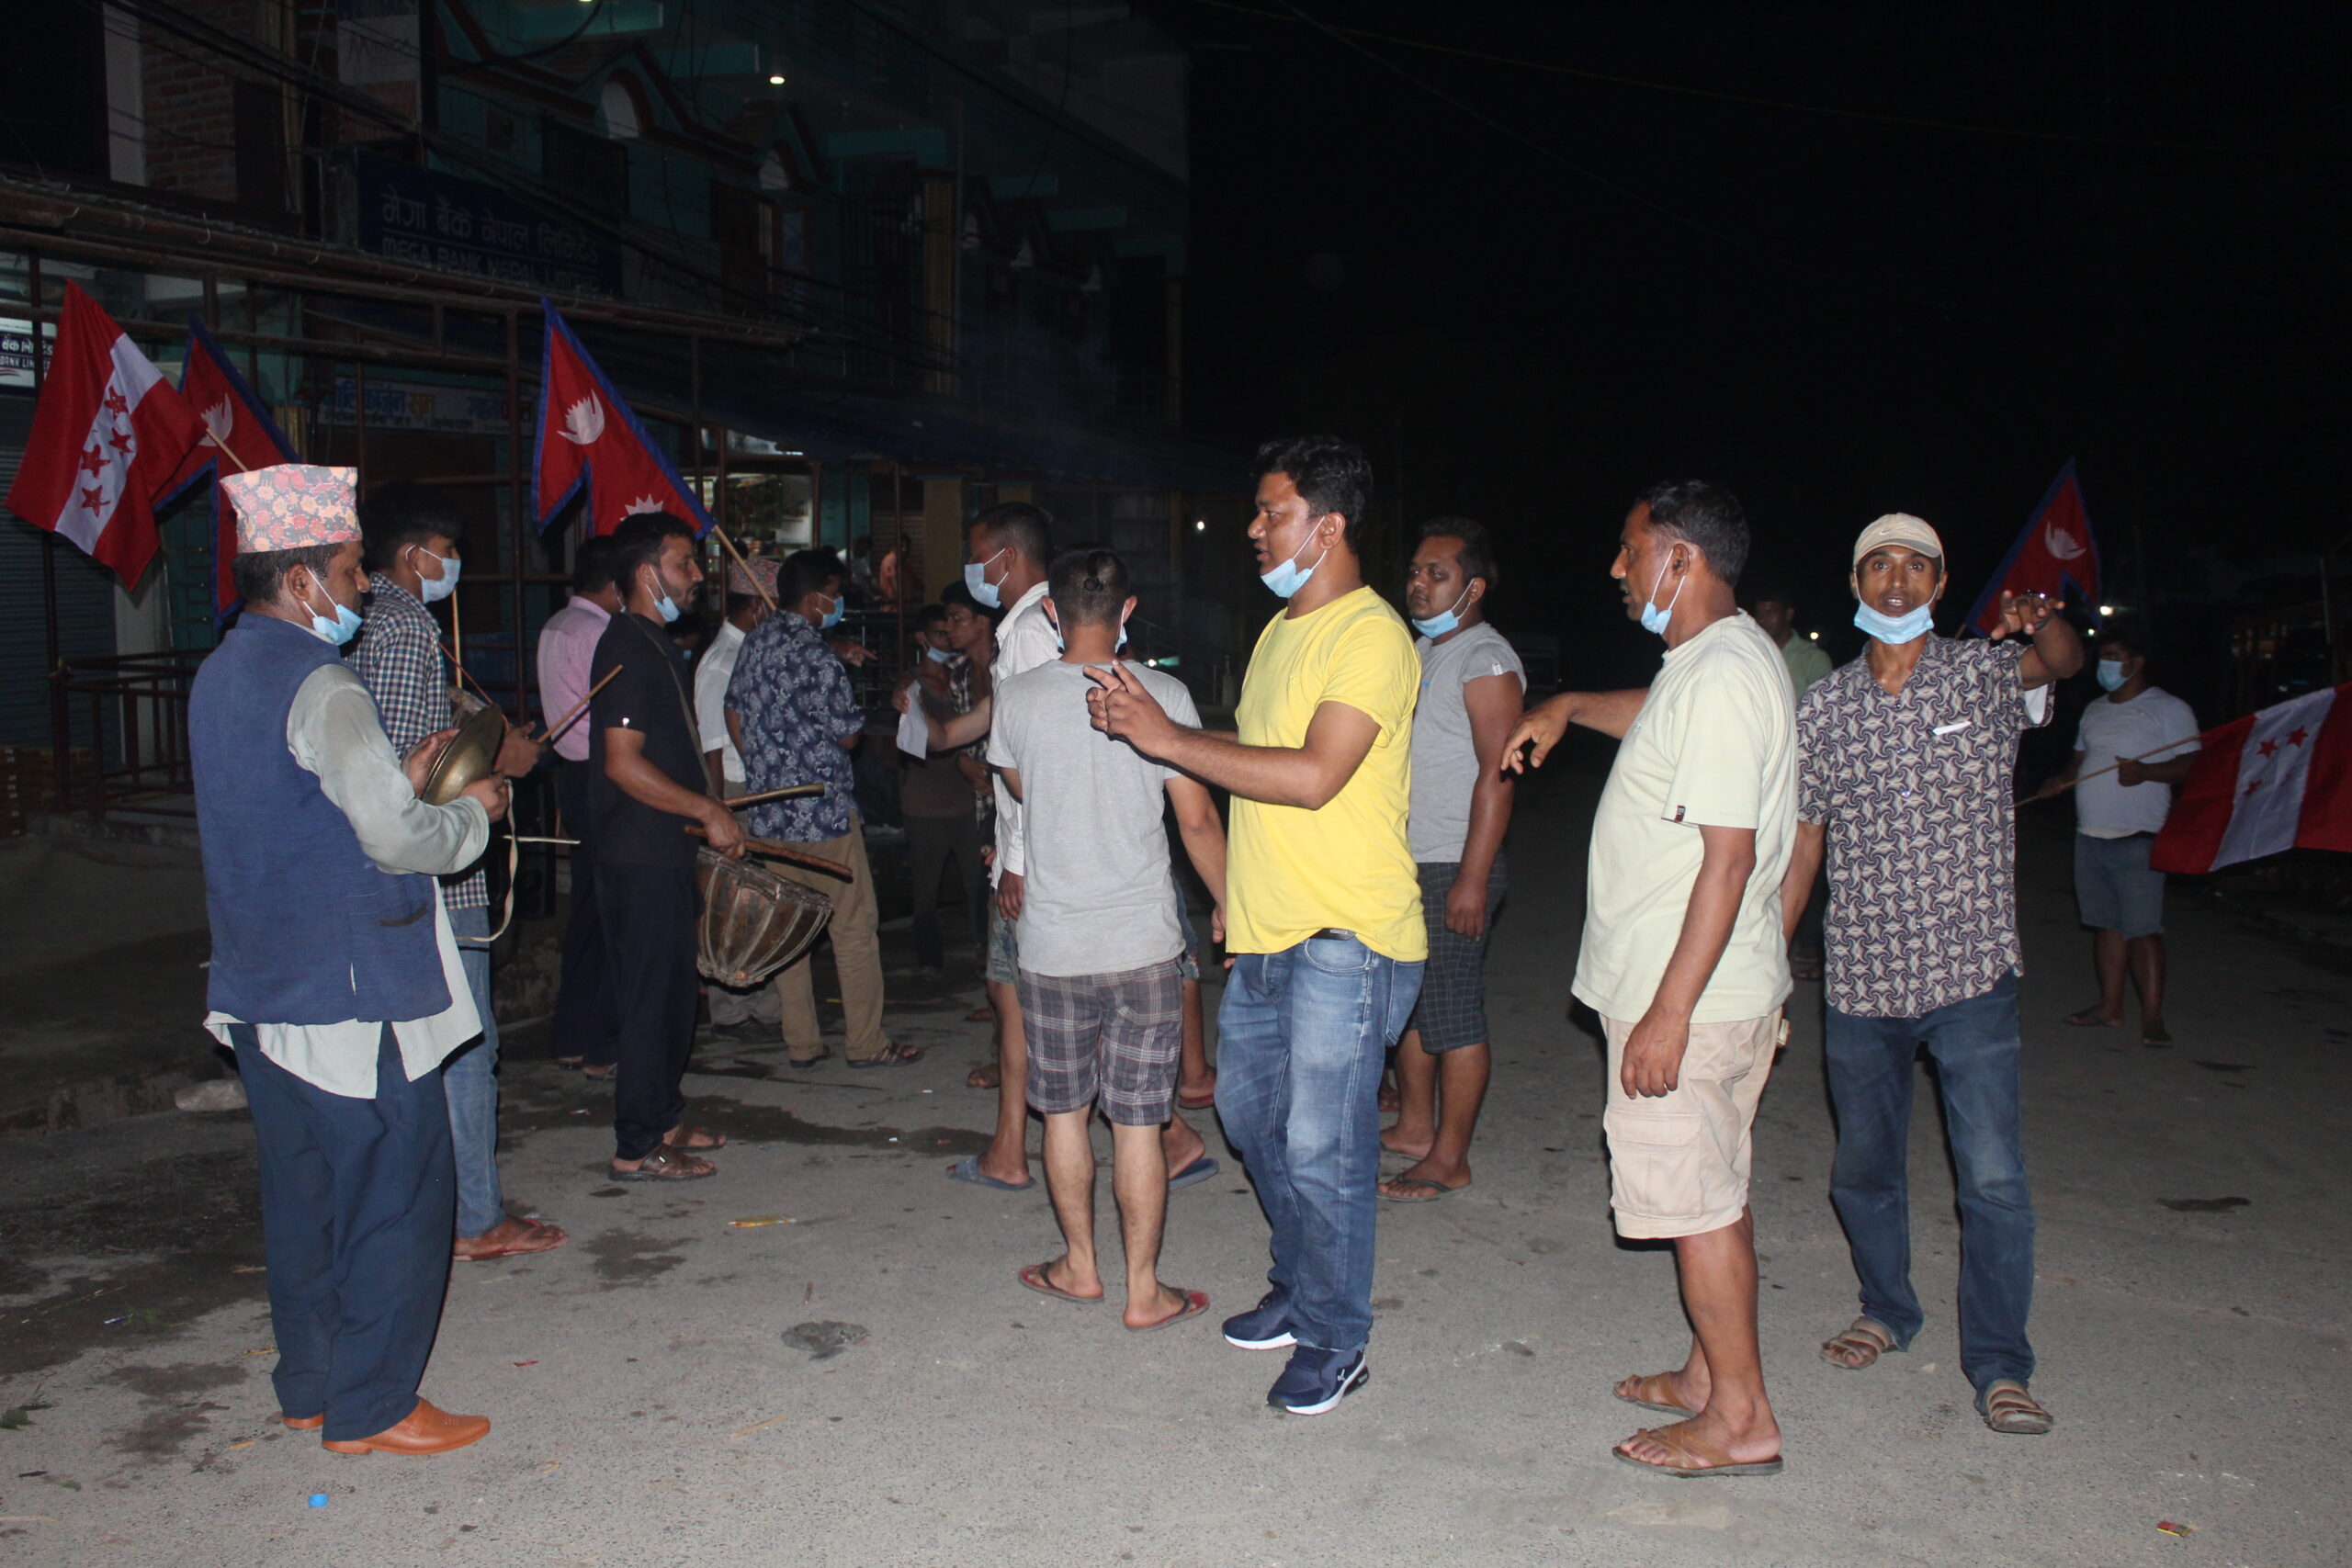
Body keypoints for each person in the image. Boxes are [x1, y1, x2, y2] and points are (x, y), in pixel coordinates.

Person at [1090, 434, 1425, 1416]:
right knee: (1248, 1120)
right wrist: (1173, 739)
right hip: (1269, 932)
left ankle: (1335, 1336)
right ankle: (1303, 1281)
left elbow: (1315, 775)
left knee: (1324, 1148)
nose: (1253, 527)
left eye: (1273, 512)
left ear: (1328, 527)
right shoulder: (1284, 629)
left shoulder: (1371, 636)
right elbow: (1259, 749)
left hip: (1347, 937)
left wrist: (1169, 738)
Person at [192, 464, 507, 1454]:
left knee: (305, 1195)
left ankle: (313, 1384)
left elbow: (293, 804)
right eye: (348, 567)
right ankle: (374, 1404)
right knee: (397, 1190)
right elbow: (396, 838)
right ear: (299, 581)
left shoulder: (220, 670)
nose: (362, 586)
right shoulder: (325, 683)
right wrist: (471, 815)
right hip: (351, 988)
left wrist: (397, 774)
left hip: (262, 981)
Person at [1506, 480, 1794, 1478]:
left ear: (1682, 559)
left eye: (1631, 550)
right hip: (1722, 990)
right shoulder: (1714, 661)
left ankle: (1740, 1418)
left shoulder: (1719, 675)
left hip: (1690, 999)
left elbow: (1727, 859)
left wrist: (1668, 1014)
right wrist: (1570, 703)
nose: (1617, 569)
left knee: (1695, 1207)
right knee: (1712, 1185)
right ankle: (1709, 1374)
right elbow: (1662, 724)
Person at [1781, 513, 2082, 1438]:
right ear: (1856, 583)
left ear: (1940, 585)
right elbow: (1805, 840)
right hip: (1863, 976)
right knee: (1863, 1168)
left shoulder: (1982, 674)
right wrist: (1770, 957)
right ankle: (1886, 1309)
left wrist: (2042, 621)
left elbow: (2063, 663)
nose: (1897, 578)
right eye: (1879, 564)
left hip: (1970, 970)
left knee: (1991, 1179)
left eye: (1917, 565)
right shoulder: (1824, 707)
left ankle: (2000, 1364)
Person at [990, 547, 1230, 1329]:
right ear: (1128, 610)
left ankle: (1079, 1267)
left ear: (1051, 611)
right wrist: (1230, 903)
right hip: (1144, 944)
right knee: (1138, 1121)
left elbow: (1021, 787)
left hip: (1054, 946)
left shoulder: (1016, 698)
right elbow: (1197, 818)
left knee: (1063, 1114)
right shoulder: (1165, 694)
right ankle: (1145, 1290)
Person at [351, 480, 561, 1265]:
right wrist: (489, 776)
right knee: (467, 1045)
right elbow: (417, 762)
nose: (455, 565)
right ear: (414, 556)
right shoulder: (405, 624)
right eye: (448, 552)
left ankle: (436, 1206)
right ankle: (476, 1215)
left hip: (393, 872)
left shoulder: (368, 623)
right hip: (437, 871)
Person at [591, 512, 745, 1180]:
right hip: (640, 851)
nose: (697, 575)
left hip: (663, 848)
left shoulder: (656, 642)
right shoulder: (626, 644)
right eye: (684, 563)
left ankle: (665, 1115)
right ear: (647, 572)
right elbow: (622, 763)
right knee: (651, 998)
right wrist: (705, 807)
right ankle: (636, 1145)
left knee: (676, 995)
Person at [1379, 517, 1522, 1202]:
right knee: (1412, 1005)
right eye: (1415, 571)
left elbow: (1499, 774)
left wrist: (1472, 874)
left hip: (1453, 859)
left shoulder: (1485, 660)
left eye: (1438, 574)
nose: (1420, 584)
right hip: (1410, 858)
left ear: (1474, 587)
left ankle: (1451, 1157)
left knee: (1454, 1011)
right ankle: (1415, 1126)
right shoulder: (1420, 651)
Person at [727, 549, 915, 1066]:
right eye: (834, 595)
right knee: (853, 928)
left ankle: (803, 1043)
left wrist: (764, 766)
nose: (837, 603)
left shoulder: (756, 642)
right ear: (814, 599)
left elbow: (733, 711)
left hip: (769, 813)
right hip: (823, 814)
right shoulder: (817, 656)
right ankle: (866, 1042)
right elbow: (849, 735)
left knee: (789, 929)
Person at [2031, 630, 2200, 1047]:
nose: (2104, 664)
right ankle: (2110, 1007)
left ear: (2136, 662)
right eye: (2102, 656)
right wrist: (2059, 781)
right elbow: (2079, 761)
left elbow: (2193, 764)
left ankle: (2153, 1018)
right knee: (2105, 925)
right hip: (2090, 832)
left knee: (2143, 929)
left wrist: (2148, 773)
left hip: (2138, 834)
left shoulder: (2168, 708)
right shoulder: (2095, 709)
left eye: (2113, 656)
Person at [537, 536, 625, 1081]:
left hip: (574, 776)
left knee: (590, 912)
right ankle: (602, 1044)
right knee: (614, 912)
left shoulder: (557, 625)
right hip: (600, 775)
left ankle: (572, 1035)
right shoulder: (598, 634)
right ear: (615, 584)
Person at [695, 556, 784, 1042]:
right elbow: (713, 746)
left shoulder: (747, 652)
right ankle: (730, 1010)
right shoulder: (721, 663)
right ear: (756, 606)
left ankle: (761, 1002)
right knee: (732, 902)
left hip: (752, 789)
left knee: (758, 903)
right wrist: (719, 810)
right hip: (732, 789)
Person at [899, 601, 991, 976]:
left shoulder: (970, 673)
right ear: (922, 638)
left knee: (979, 884)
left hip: (968, 800)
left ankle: (987, 958)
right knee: (926, 888)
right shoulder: (912, 685)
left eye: (953, 624)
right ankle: (930, 961)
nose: (947, 636)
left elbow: (961, 735)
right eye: (940, 631)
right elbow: (939, 740)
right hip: (927, 803)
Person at [1748, 581, 1834, 981]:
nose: (1764, 619)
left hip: (1803, 776)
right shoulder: (1751, 651)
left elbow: (1825, 721)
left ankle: (1810, 946)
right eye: (1760, 612)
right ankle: (1758, 940)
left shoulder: (1812, 660)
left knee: (1804, 862)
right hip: (1759, 774)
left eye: (1771, 612)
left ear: (1788, 615)